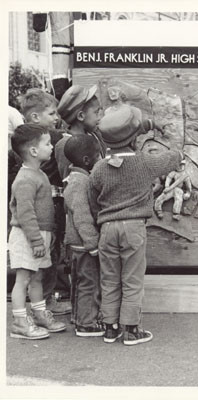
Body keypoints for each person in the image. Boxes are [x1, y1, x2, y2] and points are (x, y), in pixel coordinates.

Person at [89, 104, 181, 345]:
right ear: (134, 138)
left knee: (109, 279)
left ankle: (110, 327)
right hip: (133, 228)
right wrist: (163, 131)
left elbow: (92, 200)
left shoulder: (98, 168)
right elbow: (175, 156)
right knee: (132, 279)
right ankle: (131, 329)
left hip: (107, 229)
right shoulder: (145, 163)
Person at [9, 88, 72, 316]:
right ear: (36, 117)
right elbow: (25, 208)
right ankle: (37, 308)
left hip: (42, 217)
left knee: (43, 264)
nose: (57, 118)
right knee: (43, 262)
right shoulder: (49, 140)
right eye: (52, 113)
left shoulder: (23, 147)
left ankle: (42, 306)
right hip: (41, 217)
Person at [63, 135, 104, 337]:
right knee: (89, 282)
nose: (100, 158)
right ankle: (86, 323)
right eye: (97, 155)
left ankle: (78, 316)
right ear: (87, 160)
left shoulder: (73, 179)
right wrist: (92, 243)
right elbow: (81, 215)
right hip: (83, 244)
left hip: (76, 244)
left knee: (79, 282)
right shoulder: (81, 182)